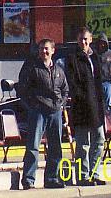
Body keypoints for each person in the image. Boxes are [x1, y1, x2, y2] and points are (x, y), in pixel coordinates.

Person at [17, 38, 69, 190]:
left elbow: (65, 90)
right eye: (41, 49)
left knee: (55, 147)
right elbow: (22, 89)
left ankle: (52, 179)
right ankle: (28, 180)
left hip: (55, 113)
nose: (43, 51)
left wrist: (61, 104)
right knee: (33, 146)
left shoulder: (59, 70)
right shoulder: (32, 68)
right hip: (38, 112)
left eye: (46, 49)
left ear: (53, 51)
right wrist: (32, 106)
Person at [65, 27, 106, 186]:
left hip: (96, 107)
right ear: (77, 40)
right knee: (83, 144)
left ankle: (94, 173)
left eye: (86, 39)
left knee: (99, 140)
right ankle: (83, 176)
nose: (83, 42)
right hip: (82, 107)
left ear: (90, 40)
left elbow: (99, 81)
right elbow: (73, 84)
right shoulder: (72, 58)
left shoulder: (95, 57)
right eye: (81, 39)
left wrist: (101, 104)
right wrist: (81, 99)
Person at [95, 33, 111, 108]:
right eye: (100, 43)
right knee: (97, 105)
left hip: (108, 83)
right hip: (96, 83)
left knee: (107, 106)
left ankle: (106, 118)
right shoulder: (93, 54)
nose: (101, 45)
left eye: (103, 43)